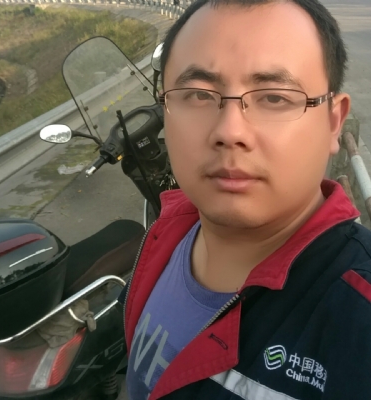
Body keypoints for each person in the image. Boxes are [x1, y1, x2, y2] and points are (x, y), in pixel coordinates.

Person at [119, 0, 371, 398]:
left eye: (274, 98)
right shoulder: (163, 237)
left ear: (333, 121)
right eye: (198, 95)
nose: (230, 131)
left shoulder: (358, 312)